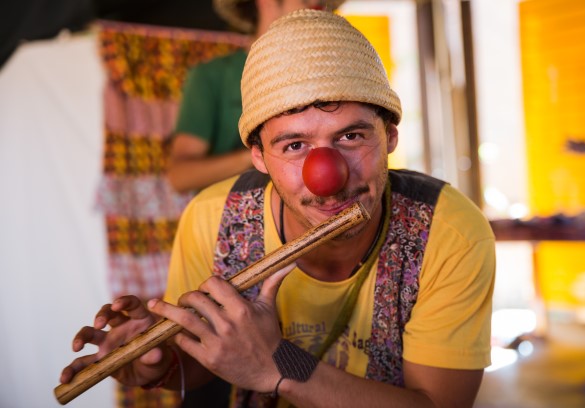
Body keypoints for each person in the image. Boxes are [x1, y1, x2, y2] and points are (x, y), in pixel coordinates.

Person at [60, 10, 496, 408]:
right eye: (294, 145)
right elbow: (202, 364)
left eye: (351, 137)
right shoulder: (211, 219)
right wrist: (163, 364)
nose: (326, 175)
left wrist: (279, 365)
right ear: (259, 157)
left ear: (390, 139)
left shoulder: (449, 231)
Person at [167, 0, 346, 194]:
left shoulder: (328, 75)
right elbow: (180, 177)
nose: (316, 4)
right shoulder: (213, 75)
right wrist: (266, 153)